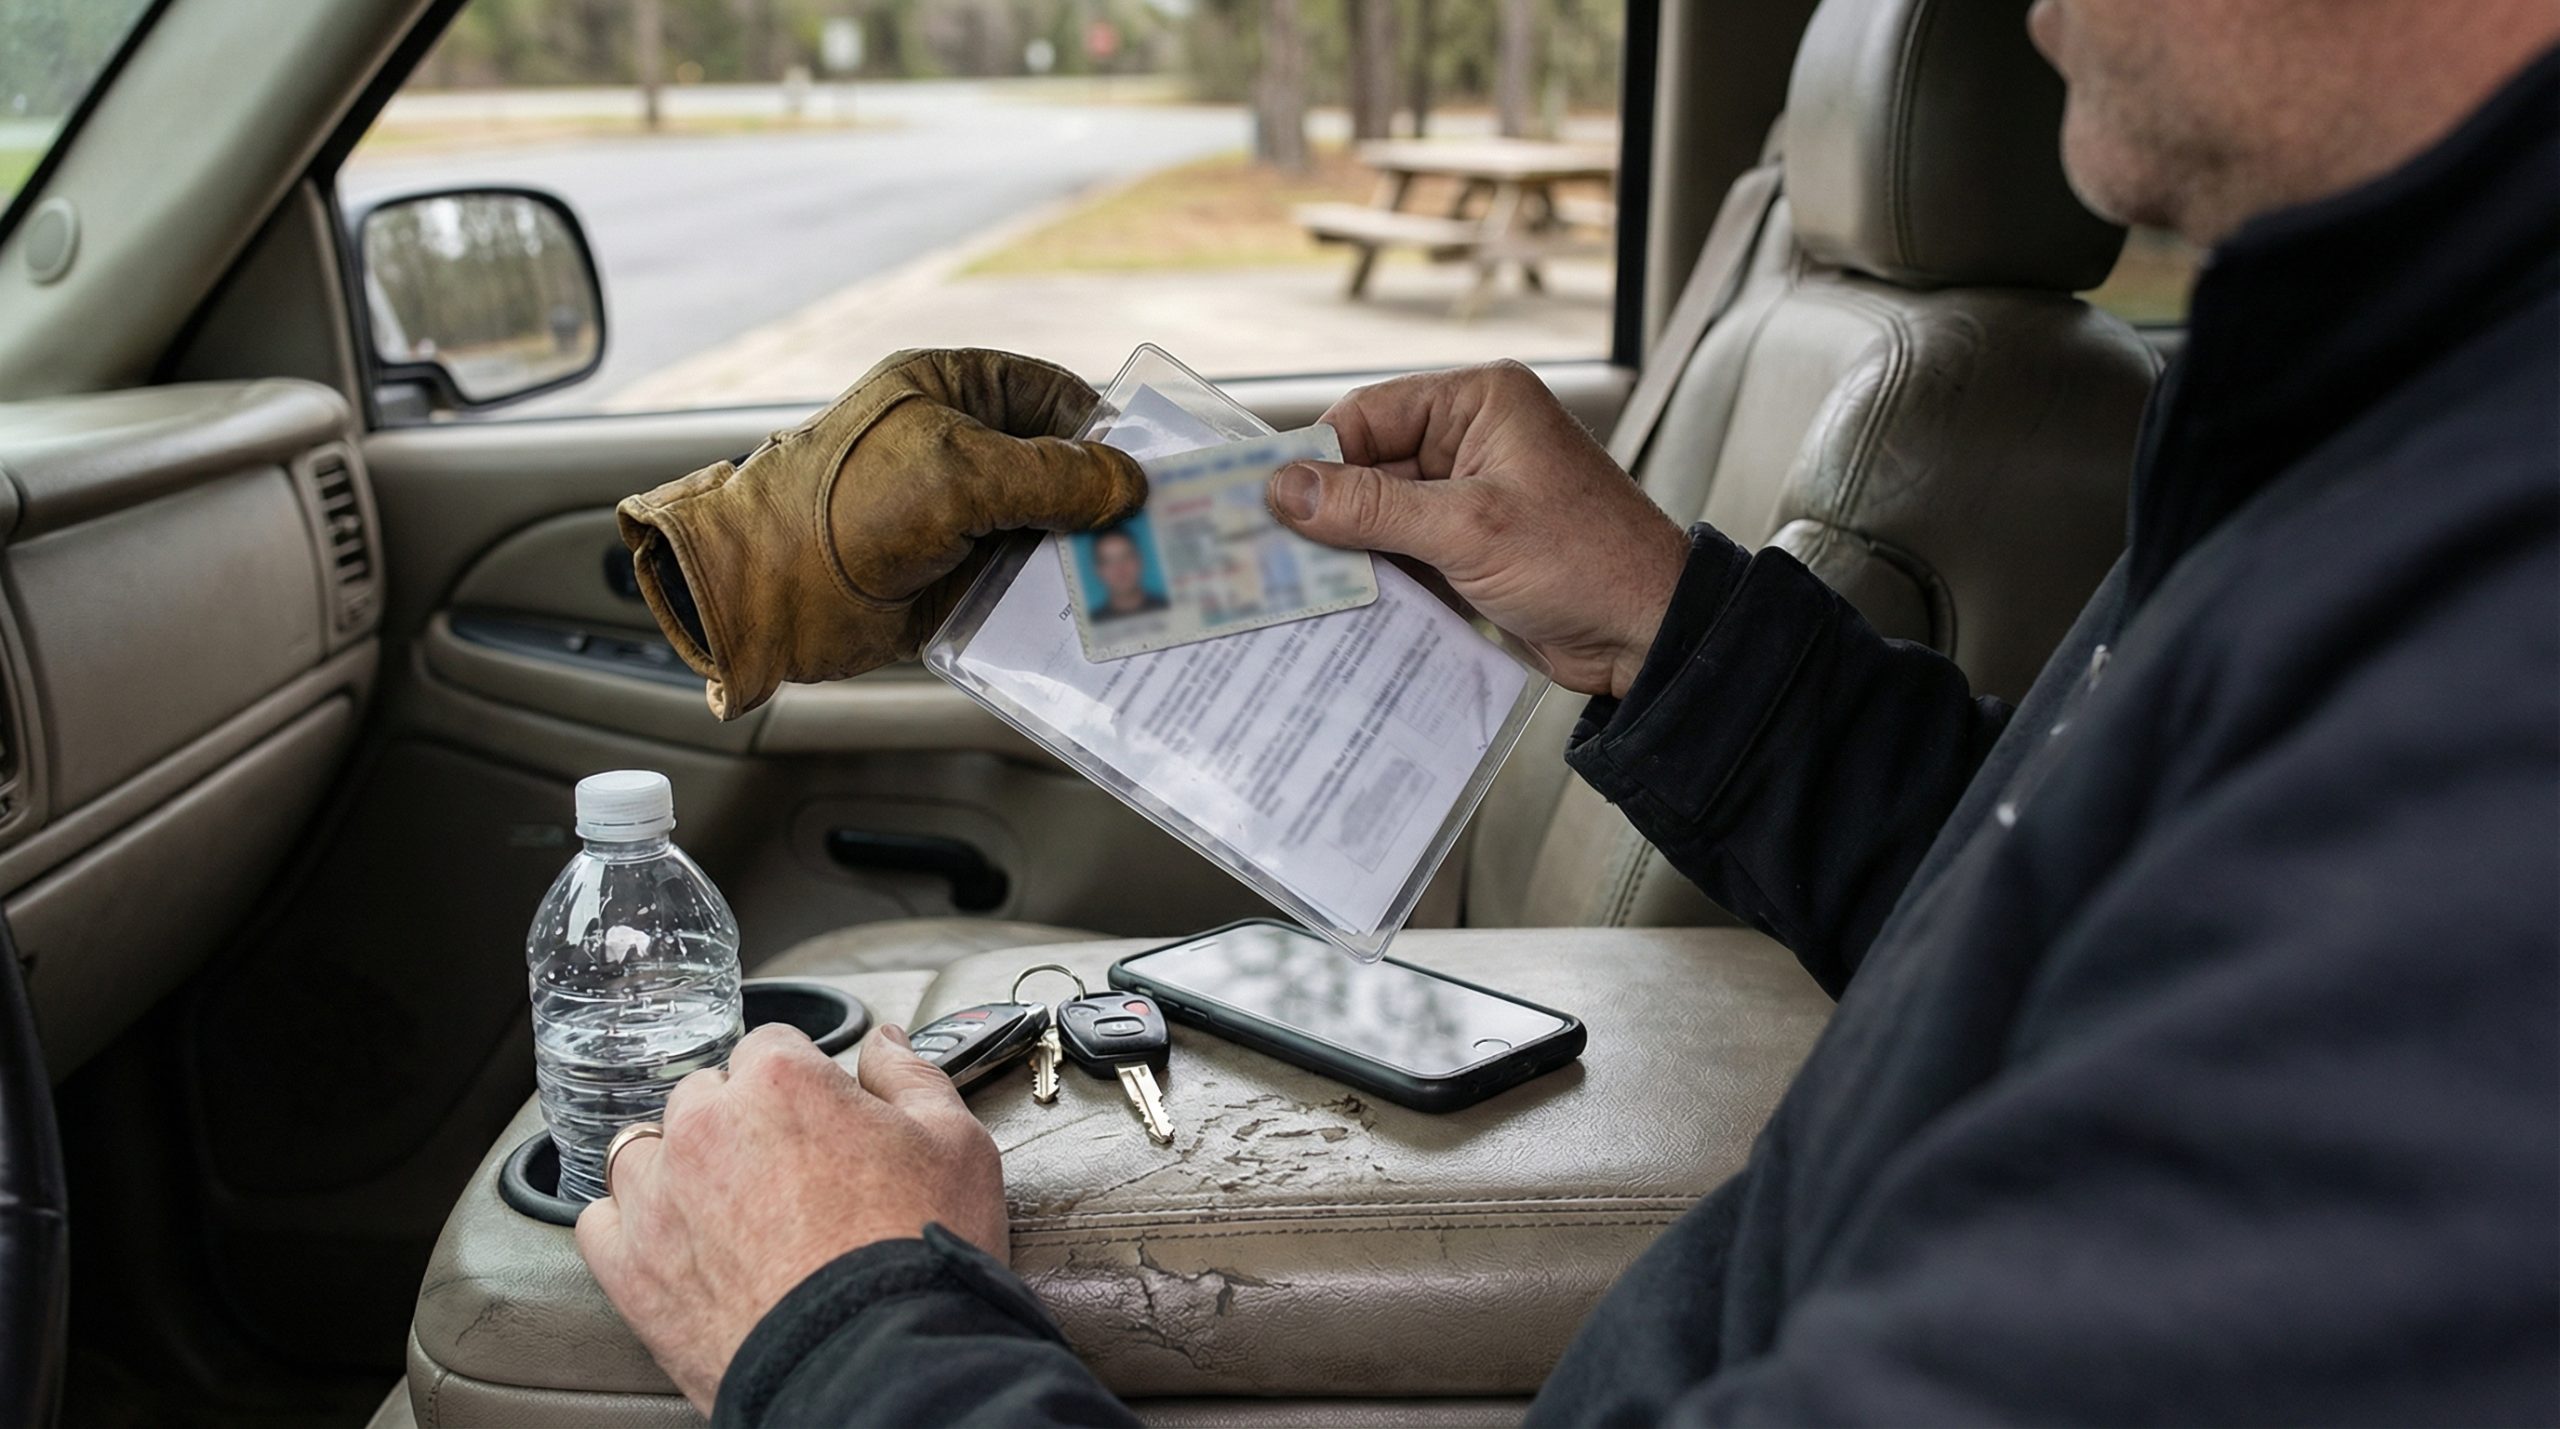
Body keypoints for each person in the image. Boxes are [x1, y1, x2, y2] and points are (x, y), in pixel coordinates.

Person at [588, 1, 2560, 1422]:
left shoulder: (2489, 685)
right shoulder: (2363, 422)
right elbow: (2049, 910)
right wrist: (1660, 625)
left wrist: (844, 1331)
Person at [1085, 523, 1169, 620]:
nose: (1120, 569)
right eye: (1109, 561)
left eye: (1126, 557)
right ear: (1097, 570)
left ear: (1139, 560)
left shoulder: (1169, 608)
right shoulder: (1092, 622)